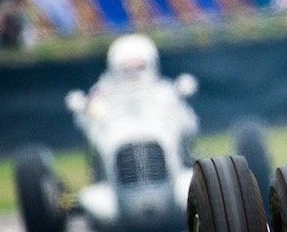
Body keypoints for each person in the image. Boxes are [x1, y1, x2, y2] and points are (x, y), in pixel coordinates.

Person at [80, 34, 199, 162]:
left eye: (139, 67)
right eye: (127, 69)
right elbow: (91, 120)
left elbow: (188, 125)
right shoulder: (104, 92)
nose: (134, 73)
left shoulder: (164, 91)